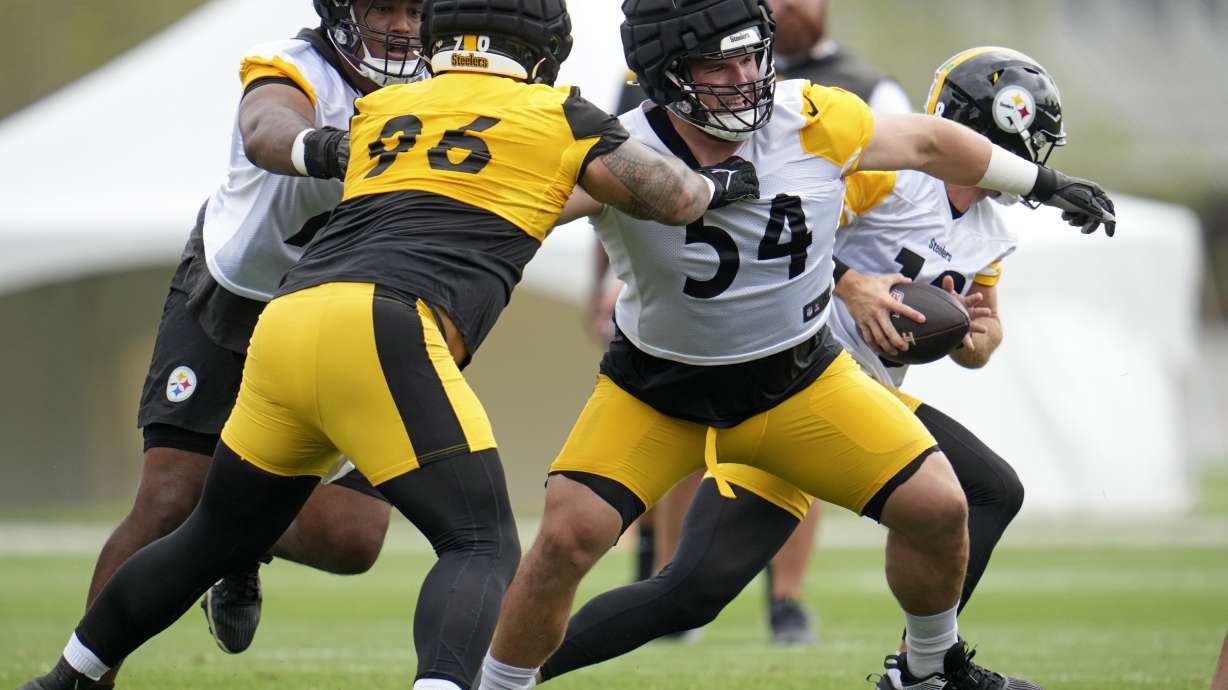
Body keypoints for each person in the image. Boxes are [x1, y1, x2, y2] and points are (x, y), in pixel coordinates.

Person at [16, 1, 762, 688]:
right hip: (375, 323)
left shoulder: (389, 106)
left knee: (216, 532)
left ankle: (65, 678)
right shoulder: (558, 113)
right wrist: (716, 185)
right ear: (545, 46)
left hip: (292, 316)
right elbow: (674, 197)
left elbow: (513, 192)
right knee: (480, 543)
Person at [476, 1, 1114, 689]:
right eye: (720, 62)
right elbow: (515, 213)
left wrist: (1046, 185)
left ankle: (927, 672)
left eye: (752, 54)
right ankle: (491, 682)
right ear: (667, 69)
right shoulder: (621, 148)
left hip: (800, 379)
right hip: (656, 391)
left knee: (945, 504)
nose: (746, 77)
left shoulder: (811, 118)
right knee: (578, 542)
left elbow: (930, 142)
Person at [82, 3, 426, 685]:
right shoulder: (291, 64)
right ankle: (88, 674)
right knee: (169, 501)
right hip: (236, 299)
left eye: (417, 8)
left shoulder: (444, 89)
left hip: (342, 315)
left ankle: (236, 543)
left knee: (353, 539)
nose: (403, 25)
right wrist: (336, 147)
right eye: (384, 5)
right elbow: (269, 127)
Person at [586, 0, 916, 645]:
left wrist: (868, 279)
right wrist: (602, 281)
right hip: (678, 309)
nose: (799, 6)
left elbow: (894, 200)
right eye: (721, 61)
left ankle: (786, 599)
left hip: (799, 305)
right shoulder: (647, 90)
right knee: (669, 449)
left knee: (820, 451)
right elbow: (612, 186)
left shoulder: (854, 90)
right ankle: (663, 578)